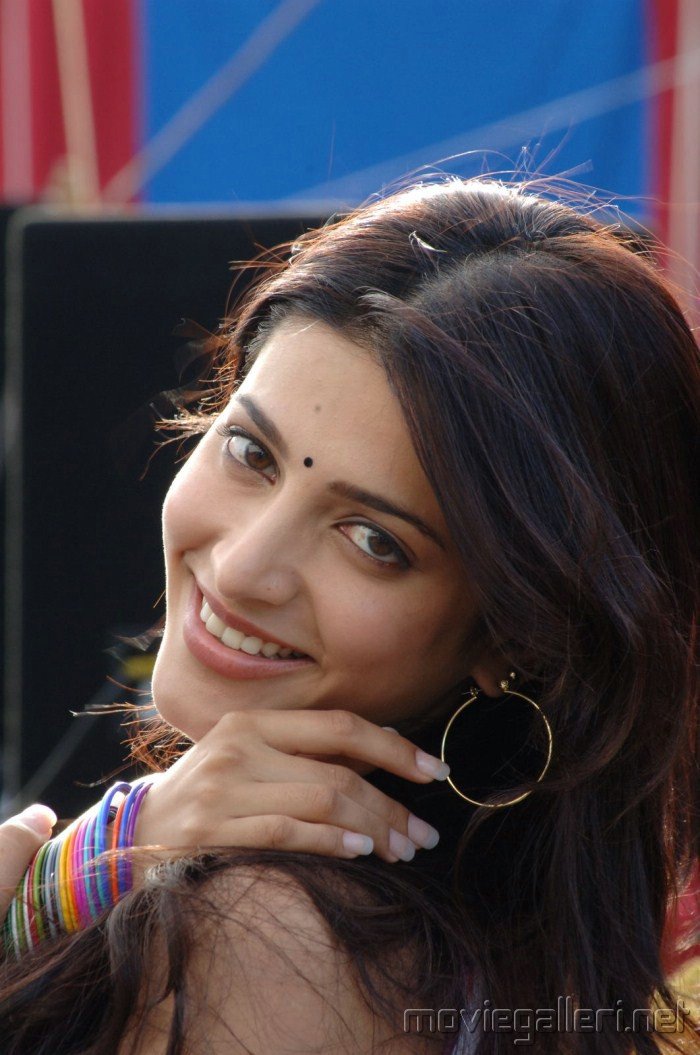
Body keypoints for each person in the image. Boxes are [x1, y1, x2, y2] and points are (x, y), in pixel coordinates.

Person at [0, 176, 697, 1054]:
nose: (244, 568)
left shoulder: (270, 944)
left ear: (514, 634)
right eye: (251, 452)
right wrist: (83, 869)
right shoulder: (456, 939)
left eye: (373, 539)